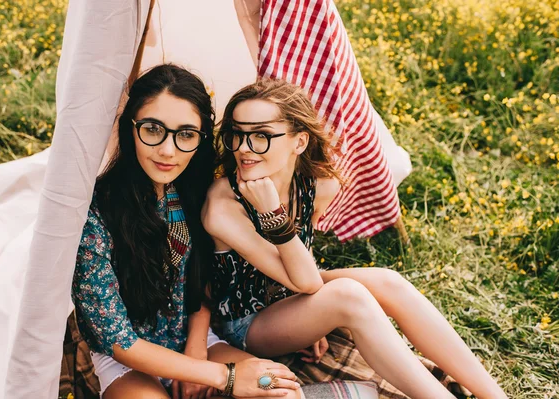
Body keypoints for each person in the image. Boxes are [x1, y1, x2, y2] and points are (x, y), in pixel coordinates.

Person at [202, 79, 508, 399]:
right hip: (246, 324)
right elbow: (307, 283)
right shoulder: (223, 206)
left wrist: (309, 318)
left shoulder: (318, 186)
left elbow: (301, 267)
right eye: (236, 134)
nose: (243, 147)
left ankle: (495, 396)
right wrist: (271, 212)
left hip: (287, 291)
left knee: (389, 282)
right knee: (349, 296)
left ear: (299, 141)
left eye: (261, 135)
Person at [71, 65, 301, 398]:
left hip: (191, 339)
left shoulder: (194, 191)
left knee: (282, 390)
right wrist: (223, 376)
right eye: (153, 129)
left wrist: (197, 350)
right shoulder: (94, 212)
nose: (168, 150)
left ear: (201, 138)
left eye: (186, 134)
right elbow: (116, 339)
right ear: (129, 128)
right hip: (123, 357)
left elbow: (200, 275)